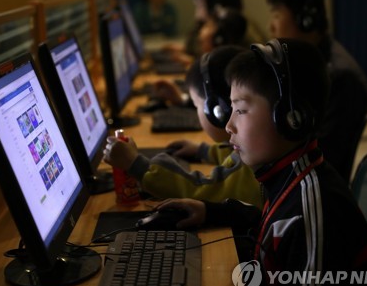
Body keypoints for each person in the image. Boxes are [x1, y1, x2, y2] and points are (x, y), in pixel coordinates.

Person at [156, 39, 367, 286]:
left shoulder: (313, 212)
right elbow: (276, 228)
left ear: (289, 116)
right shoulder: (292, 175)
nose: (229, 125)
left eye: (240, 110)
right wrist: (212, 212)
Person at [103, 46, 262, 206]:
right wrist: (204, 151)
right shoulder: (256, 148)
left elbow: (200, 190)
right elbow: (230, 152)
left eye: (196, 105)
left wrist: (136, 165)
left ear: (217, 112)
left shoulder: (250, 164)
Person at [266, 0, 367, 183]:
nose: (272, 26)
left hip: (309, 189)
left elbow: (322, 155)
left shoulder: (341, 77)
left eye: (277, 15)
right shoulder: (308, 61)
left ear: (306, 20)